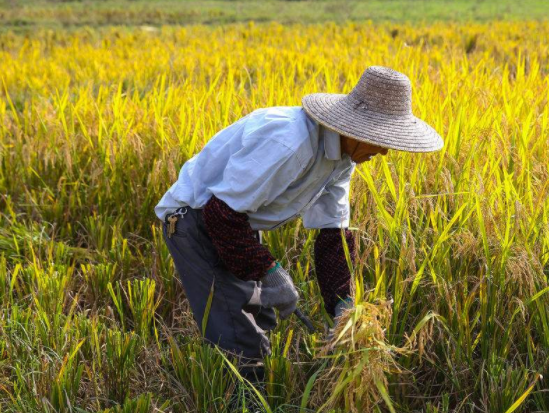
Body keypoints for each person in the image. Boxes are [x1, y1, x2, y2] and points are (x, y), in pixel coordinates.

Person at [154, 66, 443, 383]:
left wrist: (342, 305)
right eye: (380, 139)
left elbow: (333, 233)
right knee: (240, 333)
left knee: (260, 317)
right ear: (358, 128)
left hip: (236, 222)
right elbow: (219, 213)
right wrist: (270, 271)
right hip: (195, 220)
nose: (385, 150)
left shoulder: (342, 156)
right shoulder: (289, 143)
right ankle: (242, 406)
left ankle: (255, 391)